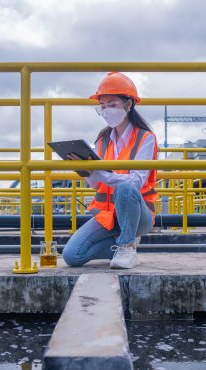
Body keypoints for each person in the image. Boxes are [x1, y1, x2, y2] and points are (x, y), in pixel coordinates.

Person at [62, 72, 159, 269]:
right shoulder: (101, 140)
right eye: (103, 106)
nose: (106, 110)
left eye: (112, 104)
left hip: (139, 214)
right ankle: (124, 242)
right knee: (72, 256)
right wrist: (87, 172)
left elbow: (136, 183)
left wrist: (101, 173)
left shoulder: (145, 138)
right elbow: (97, 185)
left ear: (128, 104)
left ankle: (127, 246)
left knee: (125, 187)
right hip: (108, 215)